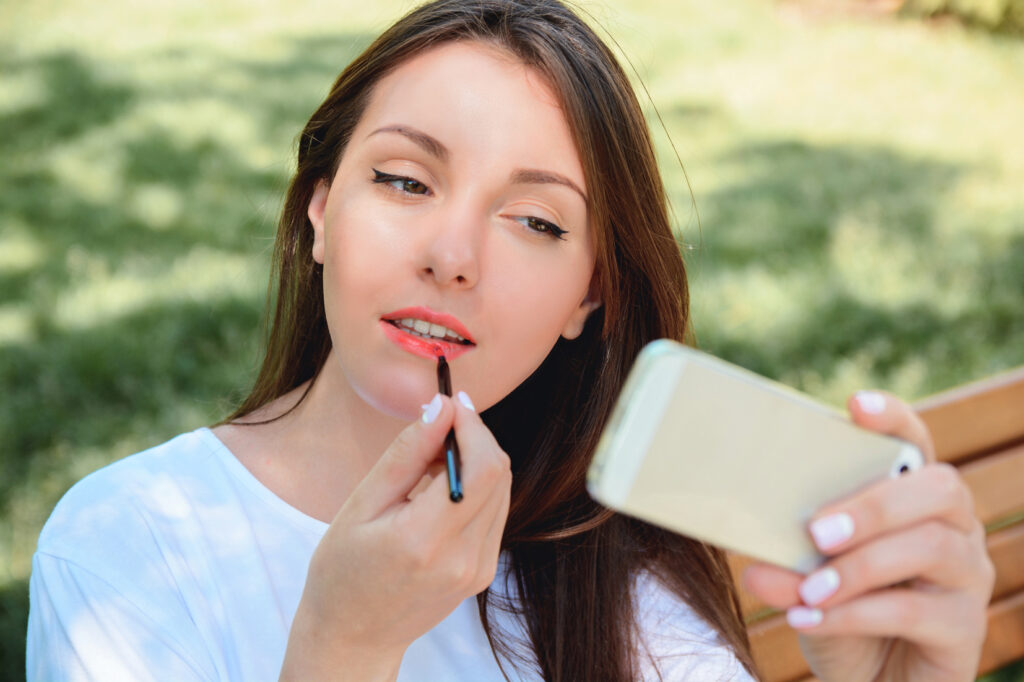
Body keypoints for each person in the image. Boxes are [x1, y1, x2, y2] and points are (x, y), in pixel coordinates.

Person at [26, 0, 994, 680]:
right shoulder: (123, 549)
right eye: (405, 180)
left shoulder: (624, 573)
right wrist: (341, 648)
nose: (452, 256)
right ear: (319, 210)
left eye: (535, 222)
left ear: (588, 300)